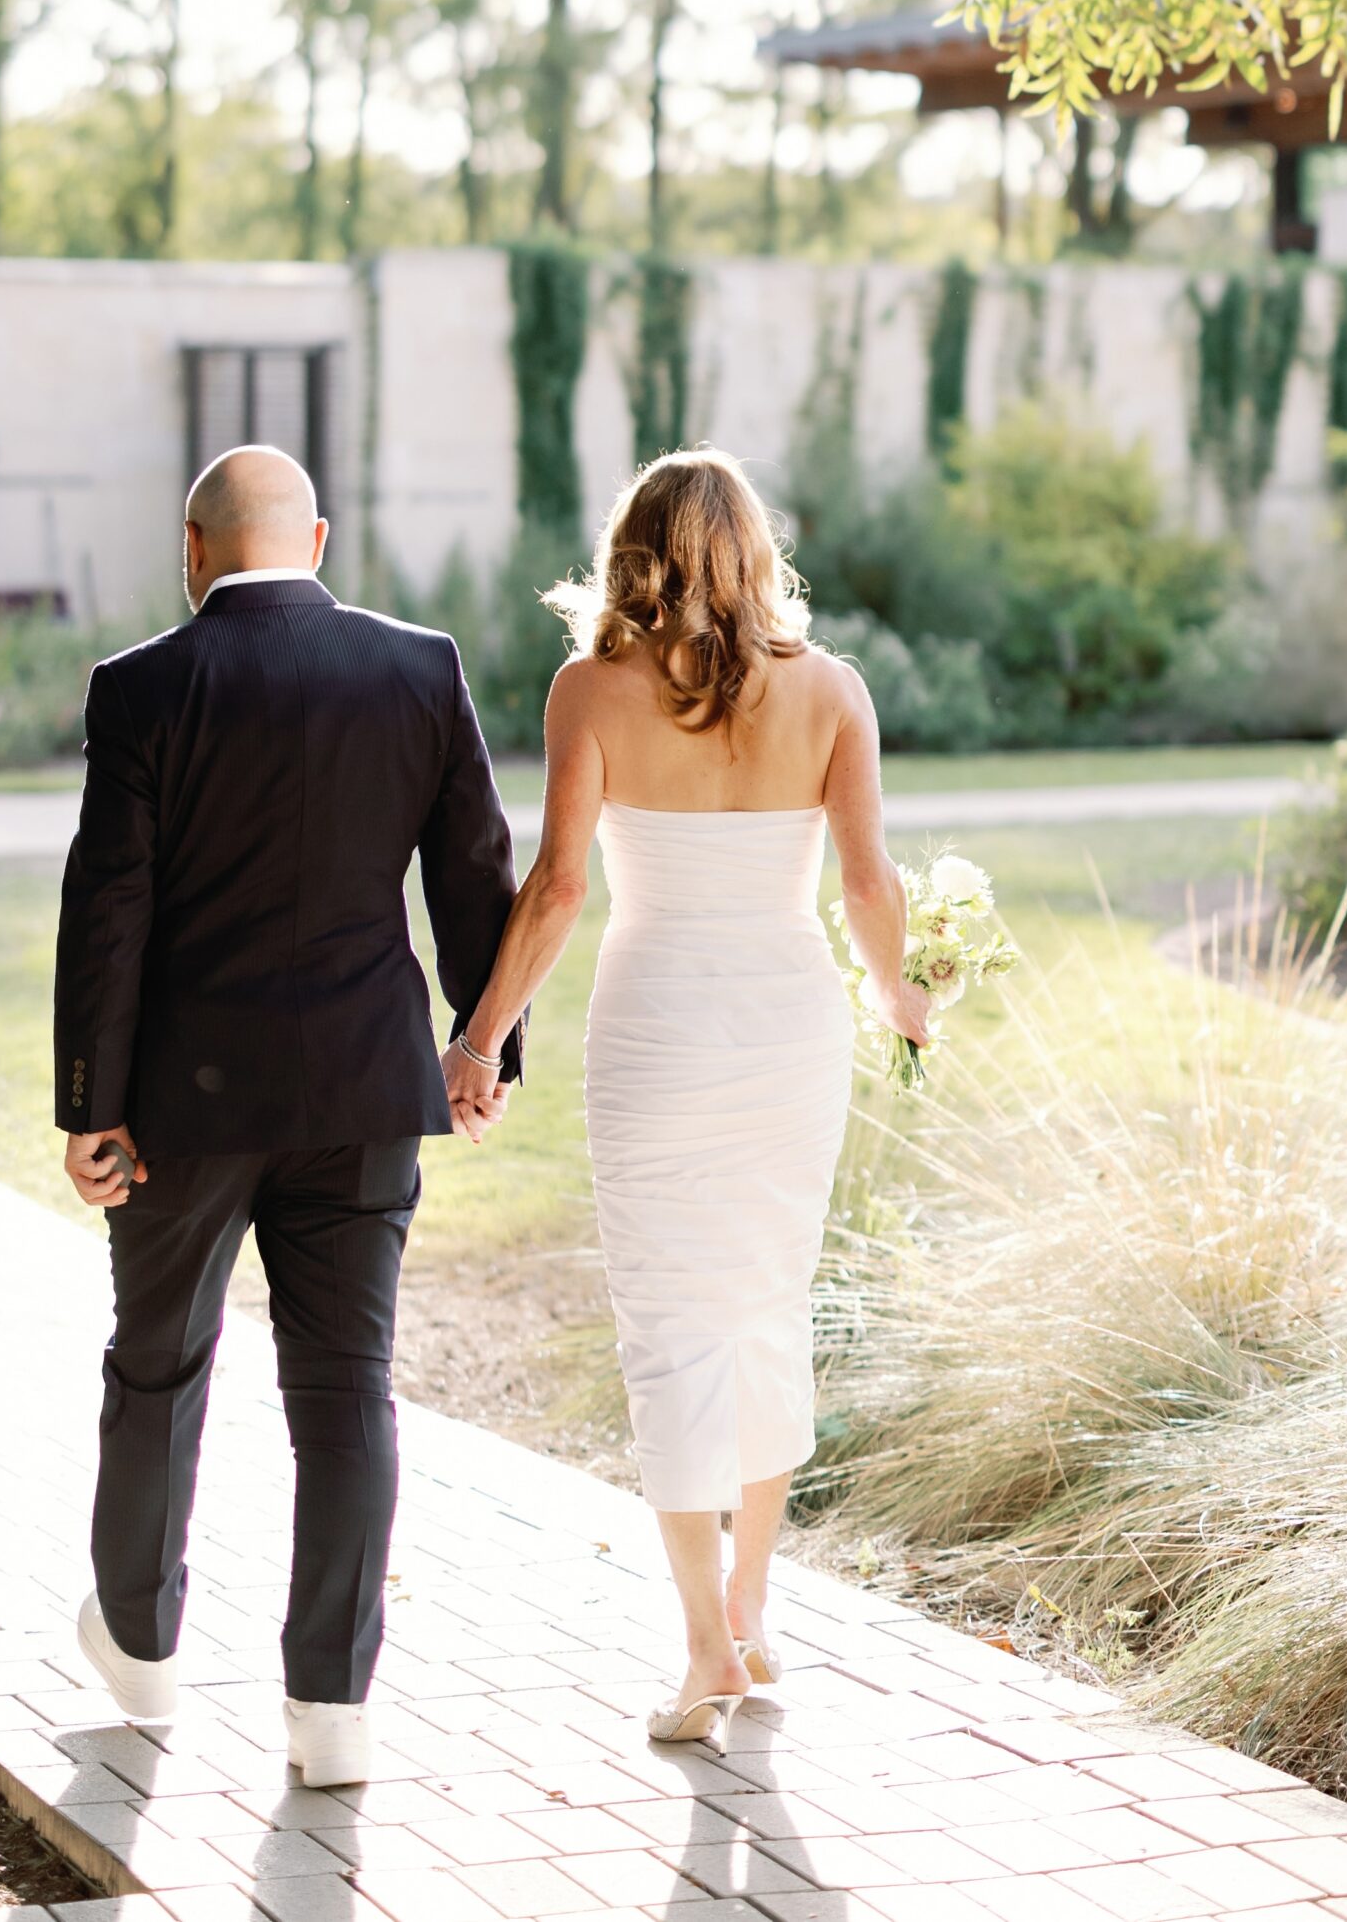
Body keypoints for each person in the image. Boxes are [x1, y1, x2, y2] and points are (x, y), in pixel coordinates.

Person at [441, 447, 928, 1742]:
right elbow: (870, 890)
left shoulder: (590, 693)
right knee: (764, 1307)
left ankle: (709, 1644)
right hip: (785, 1028)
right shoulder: (831, 692)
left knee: (669, 1329)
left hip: (656, 1029)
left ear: (632, 553)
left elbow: (554, 891)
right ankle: (752, 1609)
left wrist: (480, 1038)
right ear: (757, 552)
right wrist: (902, 997)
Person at [53, 444, 522, 1789]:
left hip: (183, 1108)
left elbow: (110, 910)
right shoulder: (418, 668)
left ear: (192, 549)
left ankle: (140, 1650)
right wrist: (482, 1046)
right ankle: (333, 1711)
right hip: (365, 1091)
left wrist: (92, 1102)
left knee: (159, 1364)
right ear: (314, 538)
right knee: (347, 1392)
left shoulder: (141, 688)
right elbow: (474, 875)